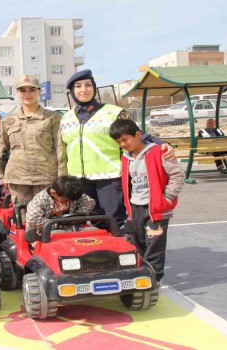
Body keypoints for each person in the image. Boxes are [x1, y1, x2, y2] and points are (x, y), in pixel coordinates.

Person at [60, 69, 174, 228]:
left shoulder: (112, 112)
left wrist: (161, 143)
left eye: (88, 85)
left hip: (109, 177)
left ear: (94, 87)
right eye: (78, 86)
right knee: (89, 221)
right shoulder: (66, 118)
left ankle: (118, 252)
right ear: (72, 91)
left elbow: (135, 134)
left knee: (113, 219)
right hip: (79, 180)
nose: (83, 90)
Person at [109, 119, 184, 282]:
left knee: (154, 246)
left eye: (125, 139)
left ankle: (154, 279)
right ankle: (141, 276)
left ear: (138, 135)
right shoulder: (125, 158)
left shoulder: (159, 152)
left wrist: (167, 198)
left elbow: (177, 175)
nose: (122, 144)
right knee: (137, 243)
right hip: (135, 208)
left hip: (156, 209)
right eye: (118, 142)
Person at [0, 74, 65, 204]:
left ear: (39, 91)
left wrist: (62, 176)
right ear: (17, 93)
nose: (27, 94)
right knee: (21, 217)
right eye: (22, 90)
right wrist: (0, 175)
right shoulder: (9, 120)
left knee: (47, 216)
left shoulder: (53, 118)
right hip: (18, 178)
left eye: (32, 89)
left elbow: (60, 149)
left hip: (46, 176)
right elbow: (0, 149)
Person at [25, 175, 96, 231]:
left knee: (94, 232)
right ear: (53, 193)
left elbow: (90, 202)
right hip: (47, 231)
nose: (69, 202)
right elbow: (33, 220)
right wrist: (60, 224)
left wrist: (77, 217)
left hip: (73, 228)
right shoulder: (40, 200)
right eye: (66, 200)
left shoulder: (71, 195)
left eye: (72, 200)